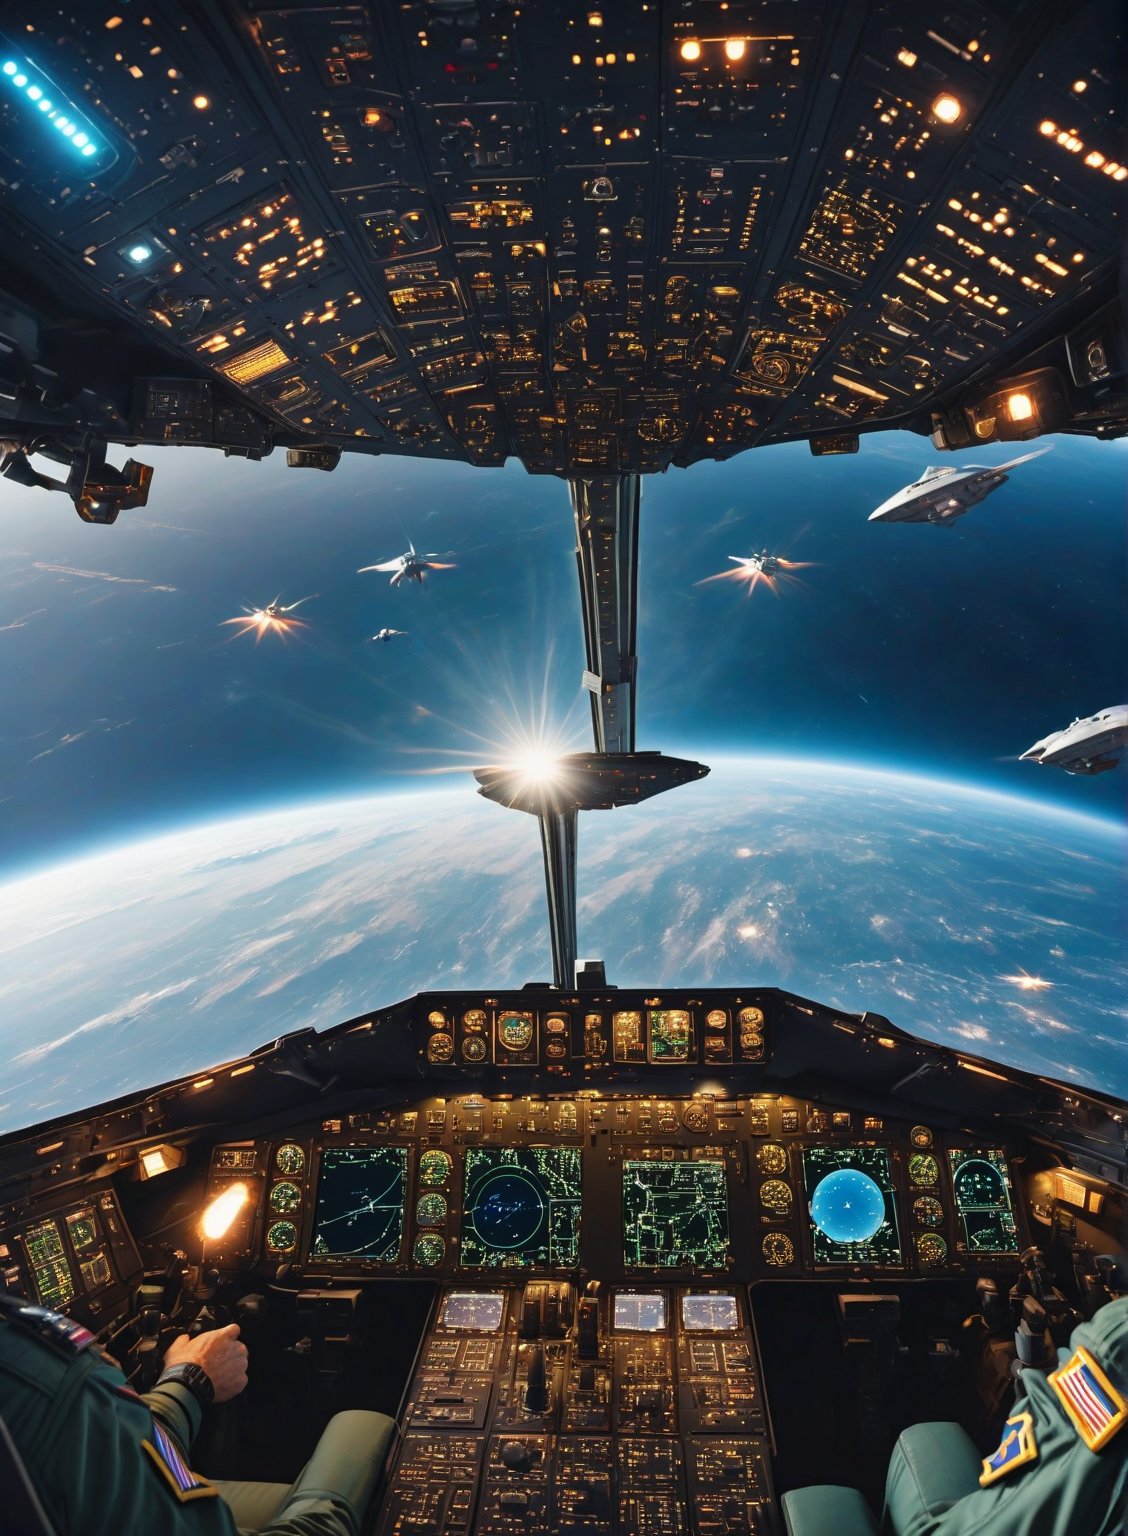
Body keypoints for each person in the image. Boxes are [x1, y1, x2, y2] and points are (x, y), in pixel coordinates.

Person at [0, 1288, 391, 1535]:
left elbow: (133, 1448)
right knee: (360, 1425)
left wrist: (188, 1381)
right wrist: (191, 1378)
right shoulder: (41, 1376)